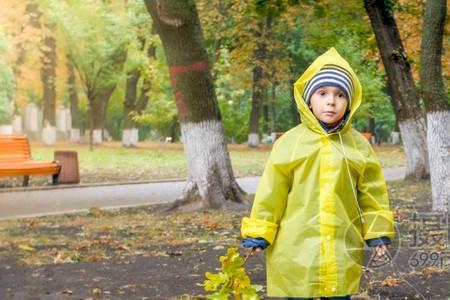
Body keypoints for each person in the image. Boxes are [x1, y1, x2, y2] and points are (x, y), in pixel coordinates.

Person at [240, 47, 395, 300]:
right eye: (322, 93)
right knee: (298, 289)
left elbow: (372, 193)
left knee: (338, 291)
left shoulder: (358, 146)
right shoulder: (290, 143)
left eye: (340, 95)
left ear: (350, 102)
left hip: (340, 241)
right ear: (309, 100)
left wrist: (377, 233)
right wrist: (259, 231)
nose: (331, 101)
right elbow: (272, 190)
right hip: (295, 242)